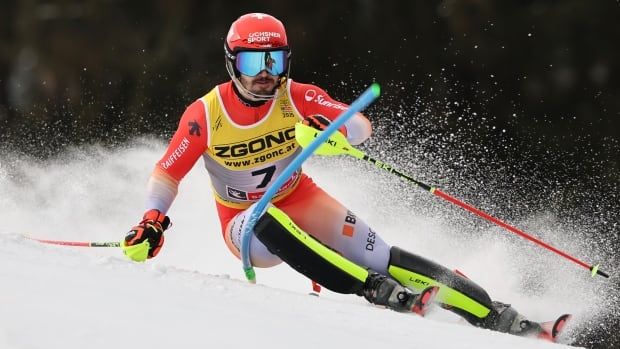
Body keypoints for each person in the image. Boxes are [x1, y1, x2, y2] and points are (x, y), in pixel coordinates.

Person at [121, 12, 551, 338]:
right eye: (254, 63)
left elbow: (359, 125)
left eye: (275, 60)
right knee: (266, 219)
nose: (265, 73)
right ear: (234, 64)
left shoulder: (297, 96)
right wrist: (151, 221)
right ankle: (372, 289)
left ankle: (494, 314)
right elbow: (167, 172)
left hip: (299, 195)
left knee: (381, 254)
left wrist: (333, 133)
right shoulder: (205, 114)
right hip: (244, 221)